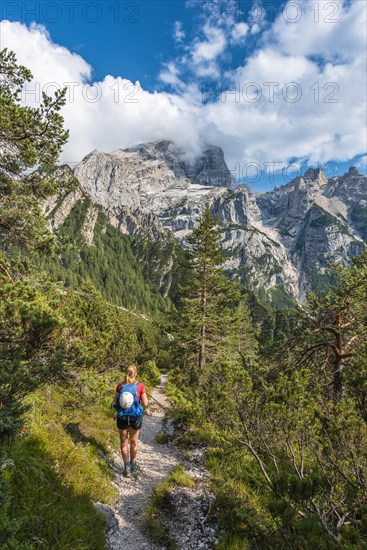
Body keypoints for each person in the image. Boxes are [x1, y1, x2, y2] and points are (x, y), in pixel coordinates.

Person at [114, 364, 149, 477]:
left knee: (123, 443)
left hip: (122, 418)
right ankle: (133, 464)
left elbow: (115, 402)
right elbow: (145, 403)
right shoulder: (140, 386)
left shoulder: (120, 386)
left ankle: (126, 468)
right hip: (135, 419)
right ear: (136, 374)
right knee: (133, 442)